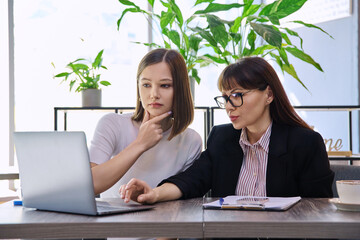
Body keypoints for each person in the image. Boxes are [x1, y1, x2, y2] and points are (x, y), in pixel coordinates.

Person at [119, 56, 334, 204]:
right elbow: (192, 180)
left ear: (268, 95)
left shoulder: (306, 144)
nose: (229, 106)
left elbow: (319, 211)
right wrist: (154, 193)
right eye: (225, 98)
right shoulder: (222, 138)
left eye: (238, 95)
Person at [89, 48, 202, 197]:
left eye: (165, 85)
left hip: (165, 219)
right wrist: (140, 144)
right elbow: (90, 185)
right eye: (146, 85)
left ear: (180, 89)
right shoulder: (112, 124)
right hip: (111, 220)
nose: (154, 94)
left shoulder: (191, 141)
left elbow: (186, 198)